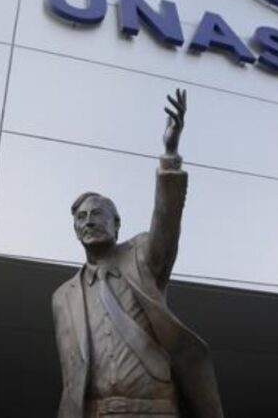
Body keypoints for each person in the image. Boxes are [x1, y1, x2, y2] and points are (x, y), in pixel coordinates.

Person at [52, 89, 223, 418]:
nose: (90, 222)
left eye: (98, 215)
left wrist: (169, 157)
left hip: (154, 409)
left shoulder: (143, 255)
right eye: (82, 218)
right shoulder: (63, 297)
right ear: (75, 230)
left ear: (117, 224)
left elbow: (166, 219)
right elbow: (71, 375)